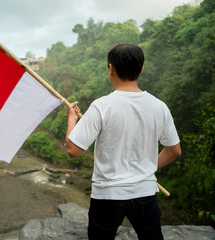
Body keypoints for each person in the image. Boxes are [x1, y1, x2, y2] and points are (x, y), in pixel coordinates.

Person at [65, 43, 181, 240]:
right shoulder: (159, 106)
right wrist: (148, 168)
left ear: (111, 68)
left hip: (108, 195)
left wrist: (72, 119)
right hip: (145, 191)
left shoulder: (101, 106)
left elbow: (73, 150)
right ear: (141, 69)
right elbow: (174, 151)